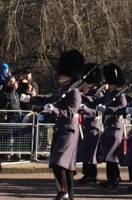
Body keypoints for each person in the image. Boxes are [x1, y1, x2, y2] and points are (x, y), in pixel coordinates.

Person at [20, 49, 85, 200]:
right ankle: (69, 194)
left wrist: (54, 110)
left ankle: (63, 192)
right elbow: (47, 99)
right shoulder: (62, 89)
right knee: (65, 165)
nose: (60, 75)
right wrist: (30, 100)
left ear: (69, 74)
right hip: (60, 129)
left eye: (63, 73)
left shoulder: (74, 92)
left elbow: (70, 113)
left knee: (59, 162)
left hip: (69, 130)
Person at [96, 63, 127, 187]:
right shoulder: (109, 94)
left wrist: (108, 109)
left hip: (116, 126)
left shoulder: (120, 95)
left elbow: (122, 108)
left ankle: (114, 178)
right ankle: (114, 177)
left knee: (112, 155)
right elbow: (99, 101)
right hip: (108, 126)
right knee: (108, 155)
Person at [77, 62, 104, 183]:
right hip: (87, 125)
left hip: (94, 124)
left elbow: (96, 111)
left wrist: (84, 108)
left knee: (92, 152)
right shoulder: (87, 93)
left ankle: (92, 175)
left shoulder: (99, 94)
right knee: (85, 151)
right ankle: (87, 174)